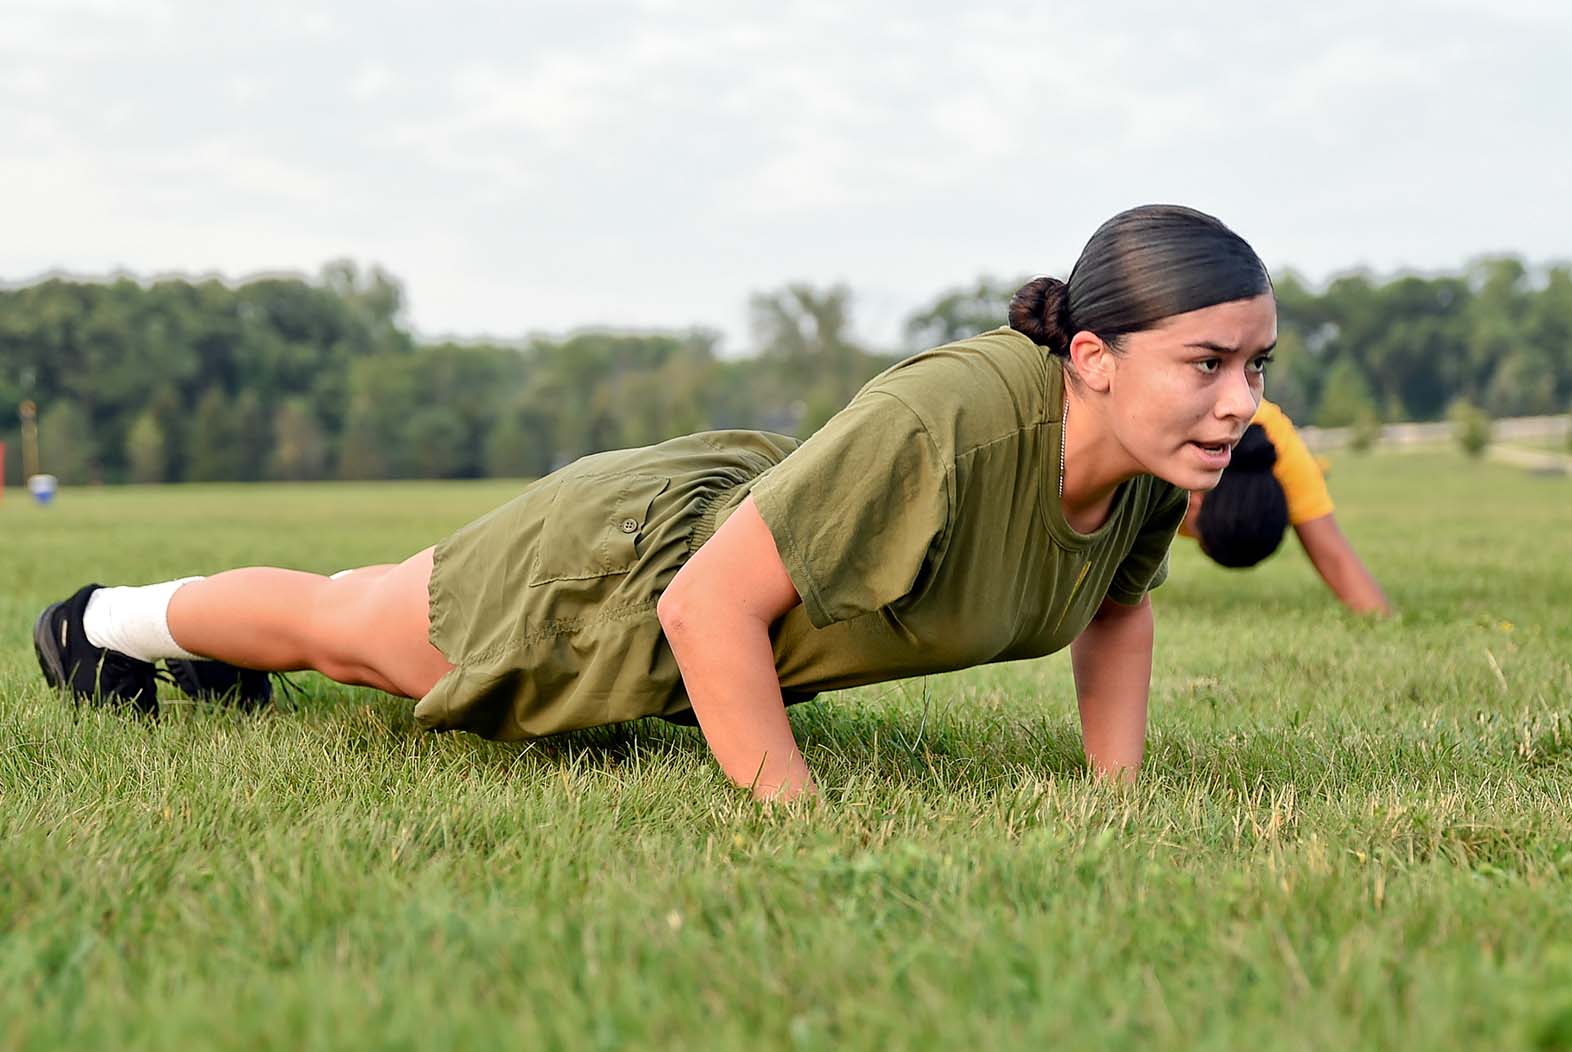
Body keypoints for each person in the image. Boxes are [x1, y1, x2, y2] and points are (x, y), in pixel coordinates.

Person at [33, 204, 1279, 800]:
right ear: (1096, 358)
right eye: (1206, 364)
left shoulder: (1152, 468)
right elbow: (702, 605)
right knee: (353, 635)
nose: (1239, 401)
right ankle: (103, 624)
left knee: (355, 631)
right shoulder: (951, 419)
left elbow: (1116, 612)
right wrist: (798, 829)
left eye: (1255, 366)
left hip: (722, 552)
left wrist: (1119, 803)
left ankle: (182, 645)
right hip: (630, 561)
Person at [1178, 398, 1389, 614]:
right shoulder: (1168, 437)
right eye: (1200, 536)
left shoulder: (1285, 463)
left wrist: (1380, 617)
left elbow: (1336, 560)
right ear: (1195, 501)